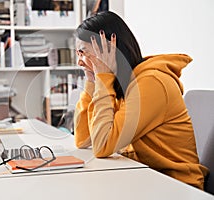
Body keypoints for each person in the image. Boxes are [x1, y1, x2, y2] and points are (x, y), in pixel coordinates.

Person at [73, 11, 208, 190]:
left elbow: (101, 145)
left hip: (178, 186)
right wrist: (92, 81)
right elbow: (83, 140)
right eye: (78, 53)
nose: (79, 62)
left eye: (84, 53)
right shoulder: (119, 83)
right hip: (145, 177)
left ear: (110, 50)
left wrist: (102, 77)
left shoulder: (152, 83)